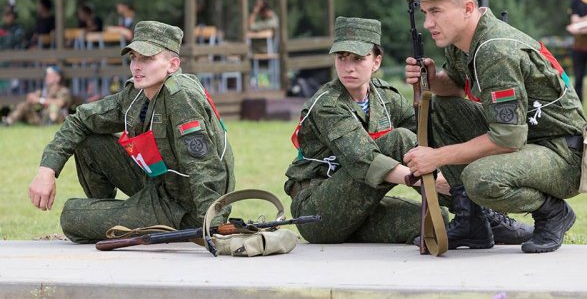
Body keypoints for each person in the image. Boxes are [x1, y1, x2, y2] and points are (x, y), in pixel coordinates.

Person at [404, 0, 586, 253]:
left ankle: (553, 212)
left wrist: (435, 157)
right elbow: (454, 85)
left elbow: (507, 138)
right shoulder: (462, 40)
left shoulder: (495, 50)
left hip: (561, 153)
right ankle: (471, 222)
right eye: (425, 13)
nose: (428, 23)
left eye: (436, 11)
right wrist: (433, 78)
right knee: (440, 109)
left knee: (480, 179)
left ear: (467, 8)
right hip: (528, 140)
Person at [27, 21, 235, 244]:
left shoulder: (181, 96)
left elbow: (206, 169)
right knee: (89, 140)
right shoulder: (137, 93)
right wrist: (47, 170)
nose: (137, 66)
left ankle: (112, 218)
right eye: (134, 58)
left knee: (71, 215)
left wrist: (212, 228)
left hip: (184, 207)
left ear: (173, 65)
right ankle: (107, 213)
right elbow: (80, 120)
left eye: (147, 58)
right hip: (157, 183)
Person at [284, 16, 434, 244]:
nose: (348, 68)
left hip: (357, 204)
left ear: (376, 62)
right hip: (317, 211)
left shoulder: (386, 97)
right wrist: (429, 182)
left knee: (433, 219)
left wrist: (429, 91)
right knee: (398, 139)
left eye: (358, 59)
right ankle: (466, 206)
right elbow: (364, 160)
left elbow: (425, 137)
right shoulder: (327, 104)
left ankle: (474, 213)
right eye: (342, 58)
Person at [3, 65, 71, 126]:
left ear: (58, 78)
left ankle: (50, 123)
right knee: (24, 104)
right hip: (42, 119)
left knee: (53, 106)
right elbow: (32, 97)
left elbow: (60, 102)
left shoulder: (63, 90)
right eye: (47, 76)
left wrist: (40, 100)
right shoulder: (44, 91)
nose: (47, 78)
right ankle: (8, 122)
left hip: (58, 119)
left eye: (50, 76)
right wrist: (32, 98)